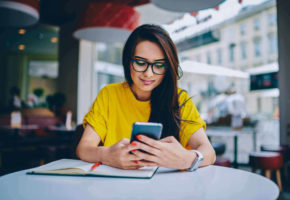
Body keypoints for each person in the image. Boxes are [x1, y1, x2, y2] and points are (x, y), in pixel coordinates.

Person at [76, 24, 216, 170]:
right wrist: (107, 155)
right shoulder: (109, 95)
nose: (149, 73)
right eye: (140, 63)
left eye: (159, 65)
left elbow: (209, 152)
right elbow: (84, 148)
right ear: (128, 62)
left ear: (168, 67)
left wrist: (187, 159)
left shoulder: (179, 100)